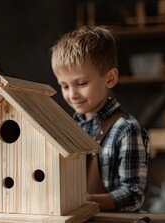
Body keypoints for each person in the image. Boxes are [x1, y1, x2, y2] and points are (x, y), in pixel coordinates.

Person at [50, 26, 149, 212]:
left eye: (81, 83)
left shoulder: (126, 129)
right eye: (64, 86)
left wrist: (86, 201)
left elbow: (133, 195)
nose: (72, 95)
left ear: (110, 78)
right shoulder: (69, 128)